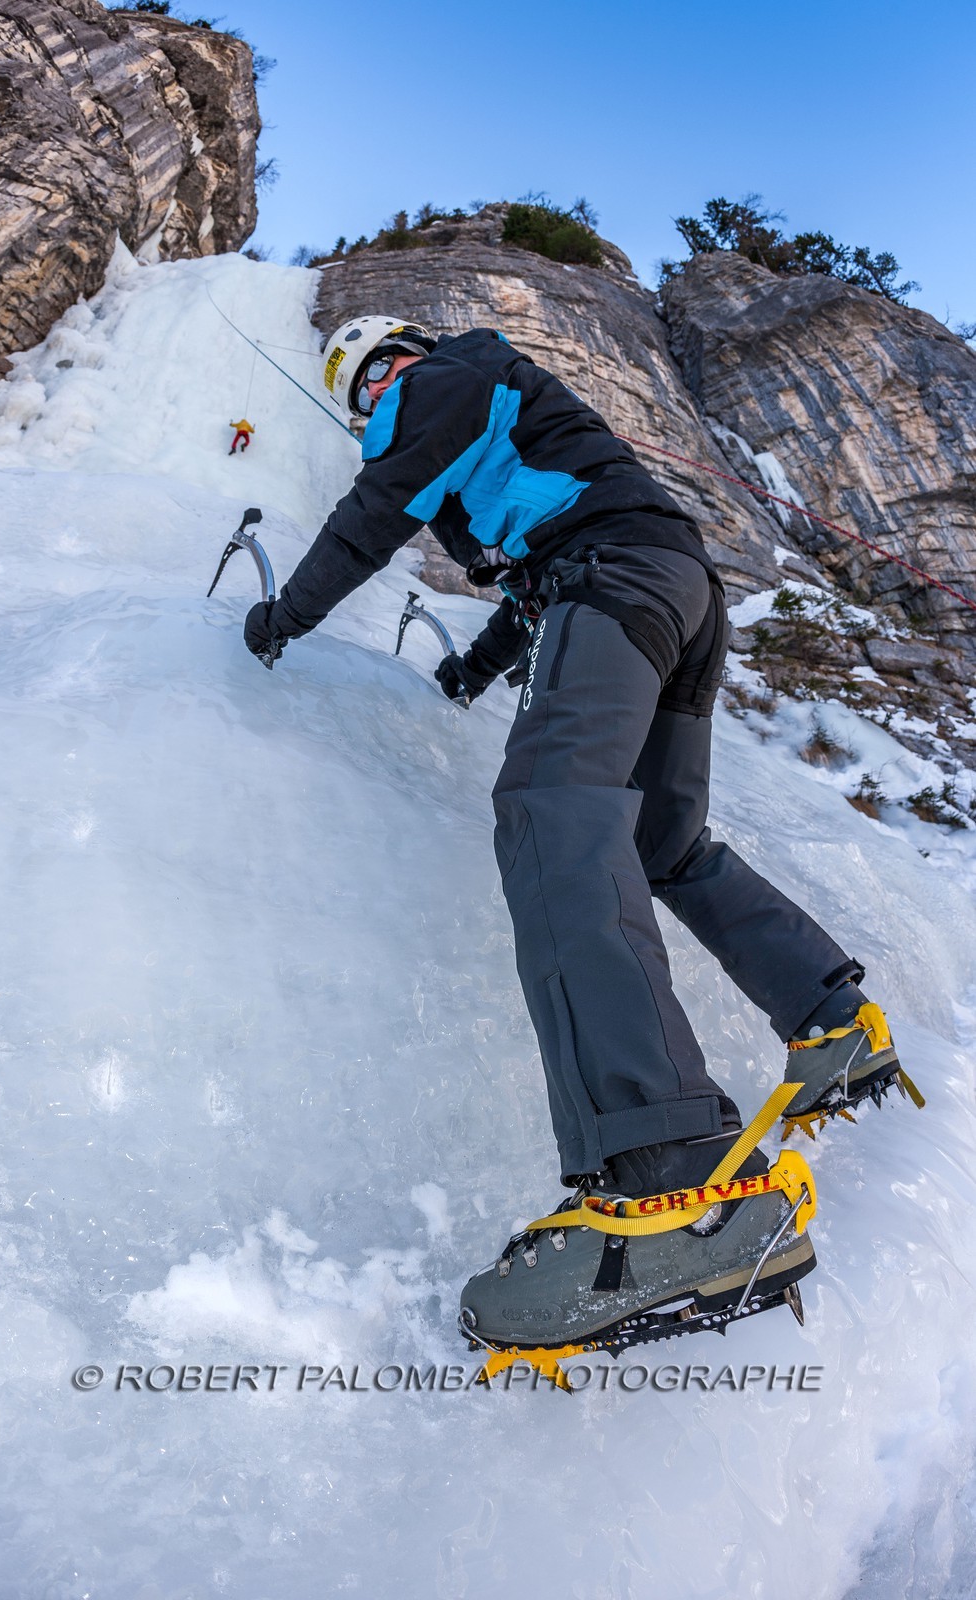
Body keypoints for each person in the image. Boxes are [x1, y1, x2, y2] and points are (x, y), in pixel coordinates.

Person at [242, 315, 915, 1353]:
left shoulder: (445, 377)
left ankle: (674, 1182)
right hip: (666, 588)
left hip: (611, 582)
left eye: (374, 382)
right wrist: (472, 668)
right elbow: (535, 571)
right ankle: (830, 1018)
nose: (376, 402)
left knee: (551, 811)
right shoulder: (491, 417)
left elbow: (375, 513)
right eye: (364, 396)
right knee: (658, 842)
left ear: (396, 361)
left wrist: (282, 617)